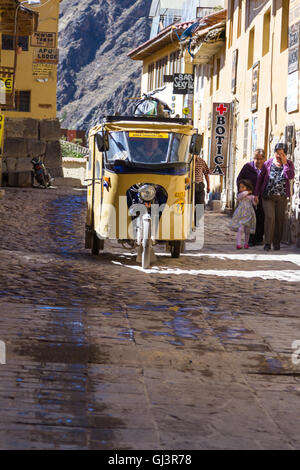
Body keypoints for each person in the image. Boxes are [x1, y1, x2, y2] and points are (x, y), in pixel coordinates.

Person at [255, 142, 295, 251]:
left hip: (282, 197)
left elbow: (290, 176)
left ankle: (276, 243)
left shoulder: (289, 164)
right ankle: (267, 242)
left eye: (282, 154)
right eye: (277, 153)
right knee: (270, 218)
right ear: (275, 153)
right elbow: (260, 179)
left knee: (279, 220)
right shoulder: (267, 163)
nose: (279, 156)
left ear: (285, 155)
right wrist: (256, 194)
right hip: (268, 196)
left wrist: (285, 164)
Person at [236, 148, 266, 246]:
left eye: (261, 159)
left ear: (264, 159)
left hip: (262, 197)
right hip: (249, 197)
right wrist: (244, 191)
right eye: (257, 159)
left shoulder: (266, 168)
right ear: (254, 158)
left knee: (261, 216)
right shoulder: (247, 167)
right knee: (251, 218)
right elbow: (239, 179)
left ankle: (259, 238)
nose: (259, 161)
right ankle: (250, 239)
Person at [230, 179, 257, 249]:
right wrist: (247, 192)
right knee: (240, 229)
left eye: (242, 187)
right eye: (240, 187)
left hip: (249, 215)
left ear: (248, 187)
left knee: (247, 231)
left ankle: (246, 243)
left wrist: (256, 200)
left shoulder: (251, 196)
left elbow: (254, 204)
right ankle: (238, 244)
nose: (240, 189)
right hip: (241, 215)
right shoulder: (240, 195)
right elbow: (240, 197)